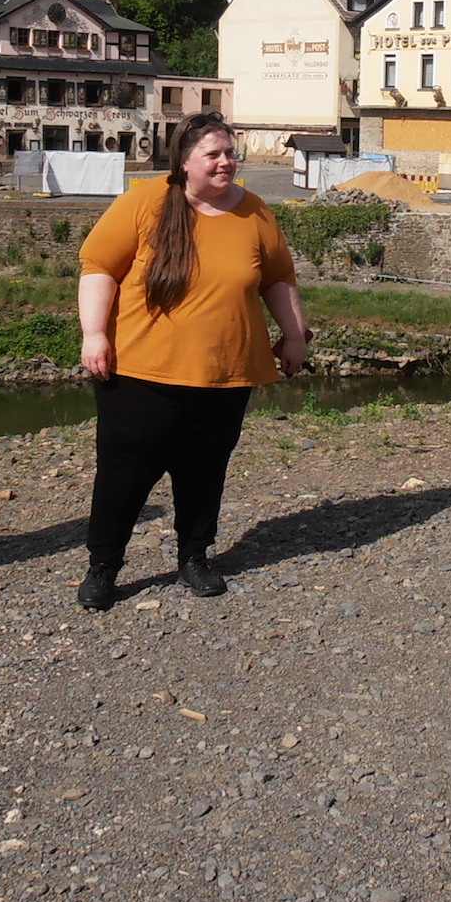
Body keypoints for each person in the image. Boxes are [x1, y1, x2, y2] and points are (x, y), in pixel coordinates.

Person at [74, 113, 309, 610]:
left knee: (204, 472)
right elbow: (98, 267)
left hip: (225, 372)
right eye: (214, 155)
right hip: (140, 372)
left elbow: (278, 279)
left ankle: (194, 556)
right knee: (124, 475)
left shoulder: (255, 212)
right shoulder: (144, 202)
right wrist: (94, 334)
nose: (227, 162)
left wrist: (293, 336)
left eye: (230, 152)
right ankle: (103, 567)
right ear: (185, 161)